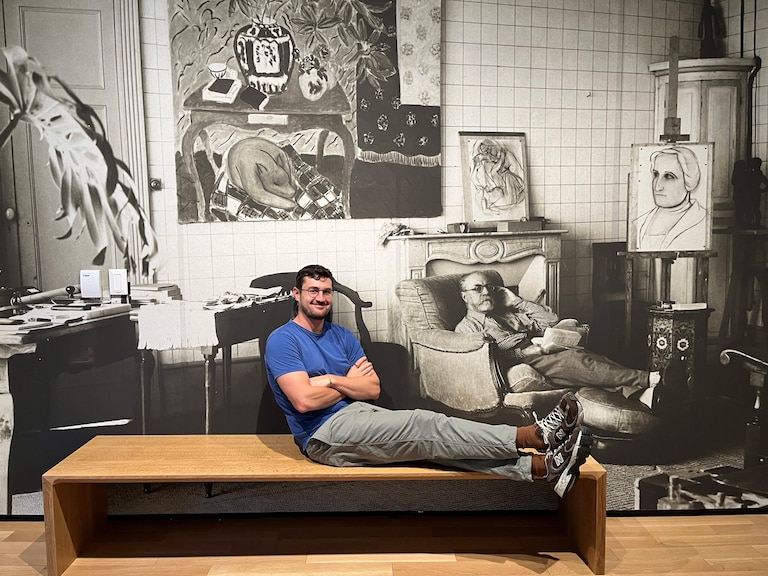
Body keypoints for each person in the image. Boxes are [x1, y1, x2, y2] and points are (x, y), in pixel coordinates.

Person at [265, 264, 593, 498]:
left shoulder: (341, 336)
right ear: (297, 294)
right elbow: (304, 401)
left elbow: (372, 389)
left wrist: (328, 382)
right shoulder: (283, 340)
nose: (320, 298)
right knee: (427, 424)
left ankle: (540, 468)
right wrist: (345, 381)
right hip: (323, 436)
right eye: (312, 292)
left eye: (325, 291)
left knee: (436, 444)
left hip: (361, 416)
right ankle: (533, 435)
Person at [454, 271, 684, 414]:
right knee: (580, 361)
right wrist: (526, 354)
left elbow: (550, 320)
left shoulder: (507, 313)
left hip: (542, 349)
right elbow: (486, 360)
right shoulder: (466, 328)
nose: (486, 292)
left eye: (490, 288)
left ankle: (644, 396)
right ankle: (653, 378)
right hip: (523, 361)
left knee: (592, 354)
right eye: (478, 289)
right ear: (465, 296)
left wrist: (518, 302)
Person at [635, 145, 708, 251]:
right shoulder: (640, 221)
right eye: (655, 175)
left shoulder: (702, 221)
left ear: (689, 181)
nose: (657, 187)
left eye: (669, 176)